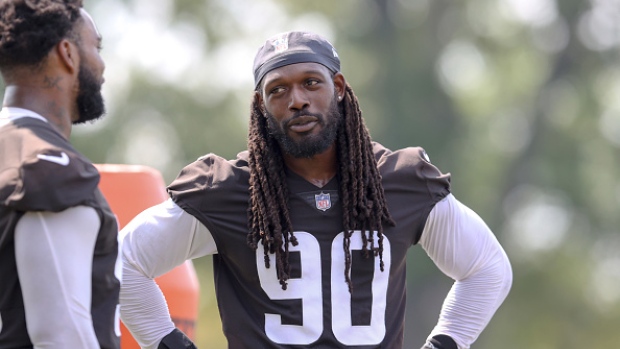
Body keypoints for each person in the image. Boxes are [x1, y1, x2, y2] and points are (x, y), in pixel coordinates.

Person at [119, 31, 512, 349]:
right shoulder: (228, 189)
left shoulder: (398, 180)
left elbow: (488, 268)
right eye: (278, 90)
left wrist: (446, 342)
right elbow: (120, 261)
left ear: (338, 86)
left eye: (311, 83)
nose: (297, 101)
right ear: (260, 104)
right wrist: (167, 342)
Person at [0, 1, 120, 348]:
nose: (102, 63)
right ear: (67, 53)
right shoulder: (47, 167)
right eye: (96, 47)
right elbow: (62, 335)